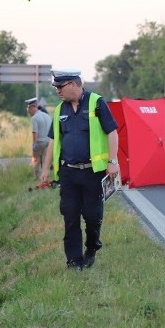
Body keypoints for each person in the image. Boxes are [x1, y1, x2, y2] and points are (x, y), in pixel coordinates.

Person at [41, 69, 119, 271]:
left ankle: (92, 247)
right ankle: (74, 260)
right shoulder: (59, 110)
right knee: (70, 216)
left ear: (73, 85)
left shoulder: (96, 103)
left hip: (92, 172)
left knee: (93, 216)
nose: (58, 91)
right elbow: (52, 140)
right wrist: (45, 169)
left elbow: (112, 131)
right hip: (68, 173)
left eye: (60, 87)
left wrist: (113, 161)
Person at [27, 97, 52, 179]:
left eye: (29, 108)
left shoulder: (34, 118)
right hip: (48, 141)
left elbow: (35, 133)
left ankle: (36, 177)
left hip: (40, 142)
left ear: (33, 107)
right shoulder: (47, 116)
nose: (28, 111)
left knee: (36, 160)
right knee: (45, 160)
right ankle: (45, 177)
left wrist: (34, 145)